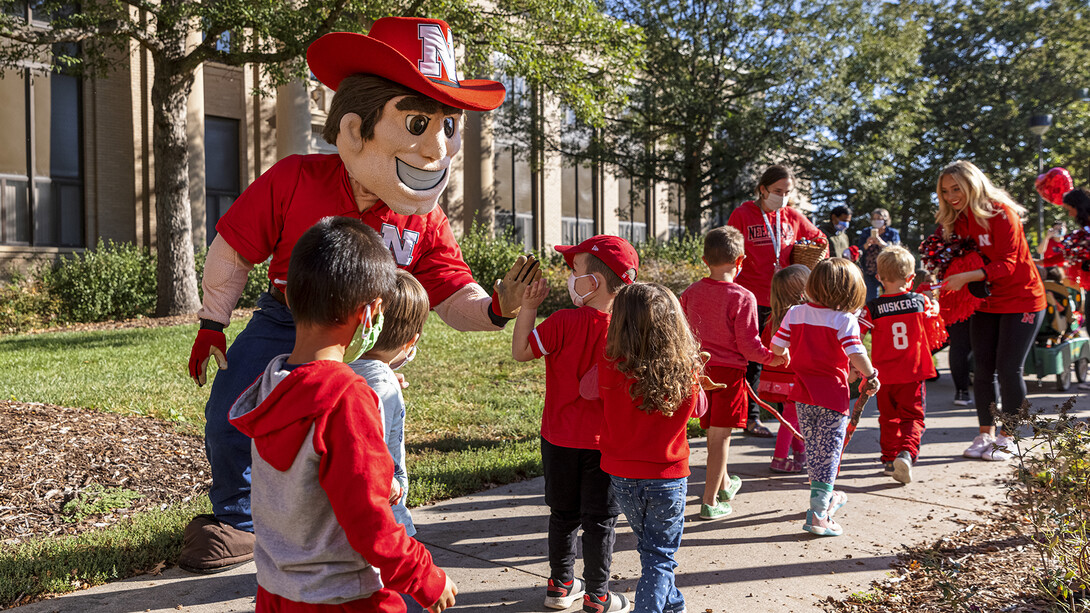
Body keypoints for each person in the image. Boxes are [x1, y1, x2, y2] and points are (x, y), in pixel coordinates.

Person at [181, 17, 542, 572]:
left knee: (367, 430)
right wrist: (212, 320)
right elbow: (235, 245)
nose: (436, 148)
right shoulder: (295, 177)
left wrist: (496, 309)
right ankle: (238, 521)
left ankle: (376, 517)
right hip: (291, 317)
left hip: (375, 336)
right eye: (418, 122)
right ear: (355, 129)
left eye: (447, 126)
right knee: (234, 404)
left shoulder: (425, 217)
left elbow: (449, 288)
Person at [227, 217, 456, 613]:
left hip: (277, 592)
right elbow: (370, 518)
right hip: (345, 597)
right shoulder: (346, 398)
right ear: (370, 314)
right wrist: (424, 576)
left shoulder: (272, 383)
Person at [512, 235, 639, 613]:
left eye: (575, 269)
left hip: (558, 439)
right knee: (601, 521)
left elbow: (520, 351)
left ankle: (560, 585)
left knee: (563, 515)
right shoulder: (629, 330)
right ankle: (598, 595)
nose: (570, 277)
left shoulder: (562, 321)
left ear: (594, 282)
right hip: (606, 444)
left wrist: (528, 307)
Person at [598, 282, 709, 613]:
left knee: (652, 549)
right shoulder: (683, 370)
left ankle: (673, 605)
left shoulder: (609, 365)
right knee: (659, 555)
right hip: (666, 477)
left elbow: (588, 390)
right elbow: (701, 408)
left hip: (621, 474)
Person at [936, 161, 1045, 462]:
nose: (950, 196)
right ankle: (985, 433)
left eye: (956, 188)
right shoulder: (958, 218)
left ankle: (1008, 437)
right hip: (986, 301)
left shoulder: (1000, 212)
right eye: (945, 191)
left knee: (1009, 369)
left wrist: (966, 278)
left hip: (1023, 300)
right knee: (982, 369)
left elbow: (1009, 264)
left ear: (973, 183)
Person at [679, 226, 785, 519]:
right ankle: (710, 501)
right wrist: (772, 359)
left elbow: (682, 335)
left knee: (712, 432)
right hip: (728, 375)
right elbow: (749, 346)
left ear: (704, 259)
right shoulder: (743, 297)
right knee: (720, 440)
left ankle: (724, 485)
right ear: (740, 261)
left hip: (698, 371)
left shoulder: (690, 293)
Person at [770, 258, 881, 537]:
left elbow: (776, 346)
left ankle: (821, 498)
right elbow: (856, 353)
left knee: (816, 450)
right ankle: (819, 514)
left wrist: (789, 355)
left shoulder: (795, 313)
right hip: (833, 395)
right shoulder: (843, 319)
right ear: (848, 292)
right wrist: (870, 374)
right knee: (830, 452)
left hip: (803, 393)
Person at [347, 269, 430, 613]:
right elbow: (369, 445)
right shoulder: (382, 386)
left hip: (347, 515)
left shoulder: (344, 363)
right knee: (401, 589)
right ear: (410, 342)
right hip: (386, 512)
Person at [727, 164, 825, 438]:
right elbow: (728, 247)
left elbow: (819, 239)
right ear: (762, 189)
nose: (782, 197)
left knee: (787, 357)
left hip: (786, 299)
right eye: (777, 191)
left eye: (787, 192)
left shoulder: (791, 216)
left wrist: (810, 252)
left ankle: (789, 416)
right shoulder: (743, 214)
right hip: (752, 297)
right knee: (753, 359)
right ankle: (750, 418)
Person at [859, 246, 941, 485]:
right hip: (912, 373)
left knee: (887, 418)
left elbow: (858, 333)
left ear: (879, 278)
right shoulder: (919, 302)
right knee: (913, 417)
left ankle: (888, 459)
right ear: (911, 278)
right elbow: (934, 315)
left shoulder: (872, 308)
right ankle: (906, 453)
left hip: (883, 374)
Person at [760, 264, 811, 473]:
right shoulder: (803, 318)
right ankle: (779, 458)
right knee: (791, 418)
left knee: (793, 416)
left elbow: (765, 345)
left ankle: (800, 453)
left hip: (777, 376)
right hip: (794, 377)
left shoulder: (773, 319)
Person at [856, 208, 901, 301]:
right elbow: (858, 250)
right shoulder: (865, 232)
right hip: (869, 271)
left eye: (879, 218)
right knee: (870, 299)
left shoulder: (892, 233)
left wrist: (881, 243)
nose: (877, 221)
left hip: (887, 270)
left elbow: (897, 250)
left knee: (891, 298)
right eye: (874, 218)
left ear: (885, 220)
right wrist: (866, 244)